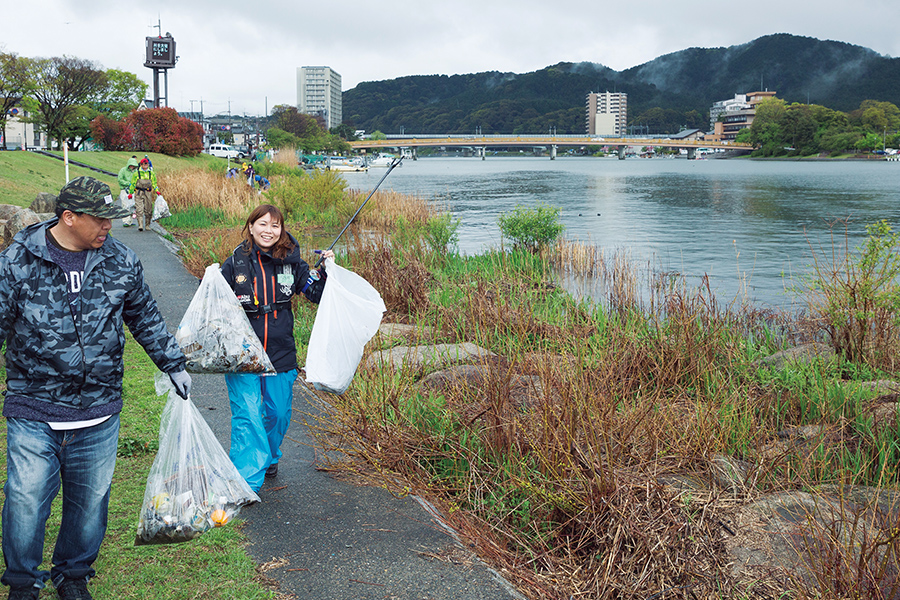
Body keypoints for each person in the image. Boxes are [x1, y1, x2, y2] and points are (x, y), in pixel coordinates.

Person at [0, 176, 192, 600]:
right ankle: (22, 583)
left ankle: (73, 574)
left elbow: (143, 315)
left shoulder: (120, 259)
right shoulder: (17, 260)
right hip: (34, 405)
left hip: (99, 409)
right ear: (69, 217)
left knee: (89, 506)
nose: (109, 227)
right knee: (26, 501)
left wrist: (172, 363)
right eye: (101, 219)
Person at [220, 205, 332, 492]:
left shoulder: (292, 262)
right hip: (242, 353)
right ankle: (246, 483)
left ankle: (268, 456)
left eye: (275, 225)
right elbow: (214, 299)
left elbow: (315, 293)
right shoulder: (235, 262)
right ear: (251, 226)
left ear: (282, 230)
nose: (268, 230)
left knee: (277, 413)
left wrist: (326, 271)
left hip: (281, 351)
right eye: (263, 224)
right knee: (247, 415)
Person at [127, 157, 160, 231]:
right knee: (139, 209)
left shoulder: (151, 173)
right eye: (144, 164)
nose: (146, 166)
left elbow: (154, 183)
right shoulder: (136, 173)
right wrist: (130, 193)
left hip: (148, 193)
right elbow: (132, 184)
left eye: (147, 164)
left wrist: (157, 190)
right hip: (138, 193)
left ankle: (147, 225)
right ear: (141, 165)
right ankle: (140, 225)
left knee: (148, 210)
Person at [116, 155, 138, 227]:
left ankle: (130, 221)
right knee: (125, 206)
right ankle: (125, 221)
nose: (132, 167)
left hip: (133, 191)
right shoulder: (123, 170)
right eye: (131, 165)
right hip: (124, 190)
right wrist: (127, 183)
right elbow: (120, 179)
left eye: (133, 166)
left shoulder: (136, 172)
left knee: (132, 206)